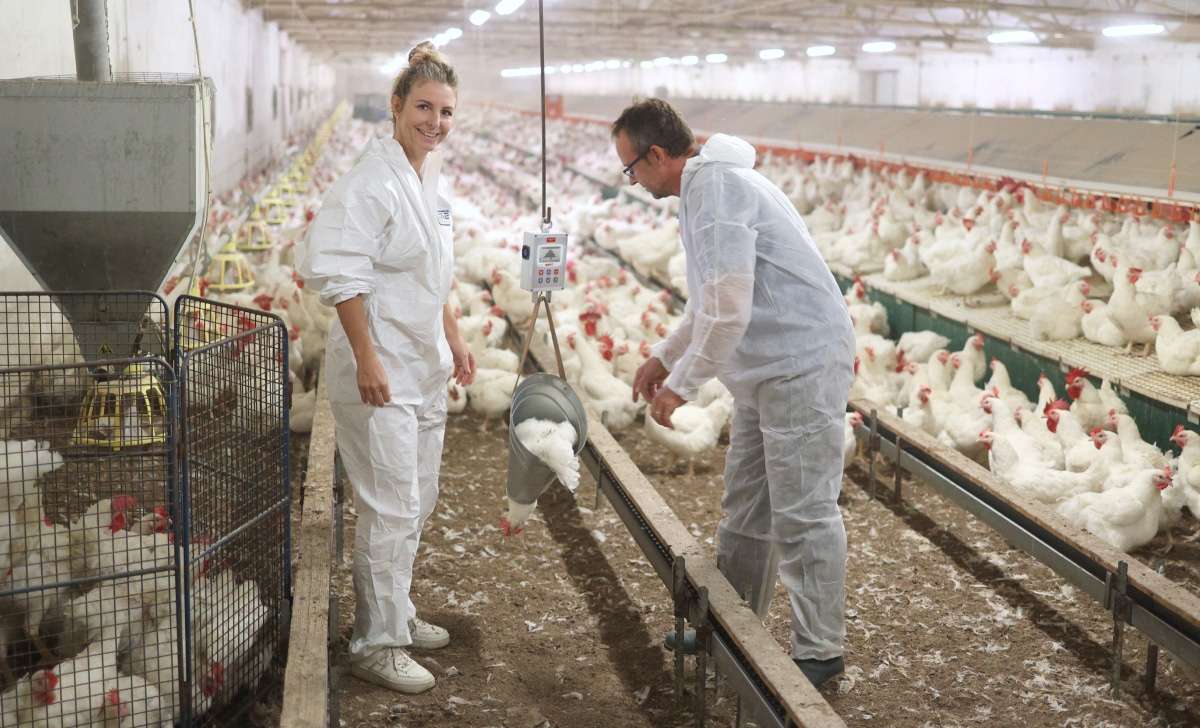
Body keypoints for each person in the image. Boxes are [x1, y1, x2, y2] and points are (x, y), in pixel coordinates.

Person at [614, 98, 855, 689]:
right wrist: (663, 356)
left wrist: (680, 387)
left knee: (803, 512)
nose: (633, 181)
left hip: (797, 363)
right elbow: (710, 302)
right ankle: (731, 624)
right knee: (746, 509)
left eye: (632, 168)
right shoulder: (703, 188)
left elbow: (728, 314)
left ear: (659, 155)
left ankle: (820, 652)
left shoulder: (717, 192)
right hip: (766, 368)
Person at [298, 42, 476, 695]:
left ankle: (396, 611)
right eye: (424, 107)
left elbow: (437, 273)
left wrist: (453, 336)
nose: (436, 121)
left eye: (447, 111)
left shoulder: (427, 179)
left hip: (421, 362)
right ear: (396, 107)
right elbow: (342, 276)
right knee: (390, 504)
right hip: (382, 370)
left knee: (416, 497)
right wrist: (368, 359)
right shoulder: (371, 181)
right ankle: (376, 642)